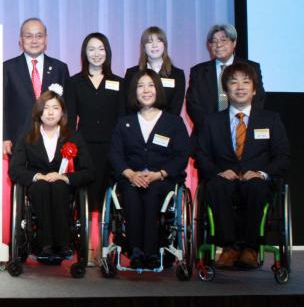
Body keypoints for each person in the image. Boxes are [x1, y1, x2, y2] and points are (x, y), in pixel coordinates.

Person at [195, 62, 289, 269]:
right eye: (233, 82)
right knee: (217, 186)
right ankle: (229, 248)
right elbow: (201, 155)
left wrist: (261, 173)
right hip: (224, 178)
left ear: (254, 90)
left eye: (246, 82)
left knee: (256, 187)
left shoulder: (271, 119)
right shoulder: (211, 121)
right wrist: (218, 172)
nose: (240, 87)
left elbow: (282, 156)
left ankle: (251, 248)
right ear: (226, 90)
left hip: (257, 180)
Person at [109, 69, 191, 269]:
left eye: (151, 85)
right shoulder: (124, 122)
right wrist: (130, 174)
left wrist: (160, 173)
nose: (146, 90)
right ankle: (136, 250)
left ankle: (152, 250)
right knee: (130, 194)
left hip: (163, 179)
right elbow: (115, 154)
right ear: (134, 92)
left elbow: (181, 155)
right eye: (140, 86)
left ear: (158, 90)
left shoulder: (173, 122)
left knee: (153, 193)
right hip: (131, 178)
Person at [9, 90, 93, 259]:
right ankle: (43, 244)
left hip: (63, 187)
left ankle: (63, 244)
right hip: (37, 186)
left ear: (62, 112)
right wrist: (37, 176)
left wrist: (65, 177)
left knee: (59, 186)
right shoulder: (27, 138)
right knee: (41, 187)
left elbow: (89, 171)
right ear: (38, 112)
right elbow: (15, 169)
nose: (50, 112)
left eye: (55, 108)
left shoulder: (73, 137)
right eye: (46, 107)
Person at [64, 32, 125, 211]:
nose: (96, 53)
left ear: (107, 52)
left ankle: (108, 235)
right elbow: (70, 119)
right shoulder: (74, 82)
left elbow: (122, 118)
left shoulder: (119, 83)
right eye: (91, 49)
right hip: (85, 147)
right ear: (85, 53)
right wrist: (71, 146)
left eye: (101, 49)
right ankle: (87, 237)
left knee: (110, 195)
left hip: (112, 147)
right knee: (86, 196)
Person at [3, 18, 70, 156]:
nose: (34, 40)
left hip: (54, 141)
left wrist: (66, 137)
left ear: (46, 39)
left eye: (39, 36)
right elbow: (2, 106)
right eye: (28, 36)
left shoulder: (60, 68)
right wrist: (5, 137)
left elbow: (66, 106)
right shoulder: (7, 68)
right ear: (21, 40)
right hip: (18, 141)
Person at [186, 24, 265, 136]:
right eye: (214, 41)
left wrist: (240, 123)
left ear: (234, 43)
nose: (218, 45)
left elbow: (258, 98)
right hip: (207, 134)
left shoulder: (251, 67)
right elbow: (192, 104)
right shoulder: (198, 71)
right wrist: (211, 126)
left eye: (223, 40)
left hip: (242, 130)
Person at [124, 26, 186, 115]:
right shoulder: (132, 73)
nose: (154, 45)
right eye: (149, 42)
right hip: (137, 126)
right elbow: (129, 105)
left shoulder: (177, 74)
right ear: (144, 47)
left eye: (159, 41)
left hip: (167, 127)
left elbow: (175, 109)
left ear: (164, 45)